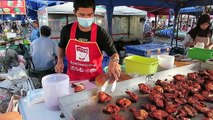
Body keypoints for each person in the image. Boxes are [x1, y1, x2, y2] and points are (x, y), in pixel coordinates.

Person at [54, 0, 121, 81]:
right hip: (73, 80)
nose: (86, 18)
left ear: (93, 13)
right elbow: (61, 46)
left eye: (89, 14)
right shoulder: (66, 30)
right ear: (75, 12)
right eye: (82, 14)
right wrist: (60, 61)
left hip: (95, 81)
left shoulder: (101, 33)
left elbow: (114, 54)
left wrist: (114, 61)